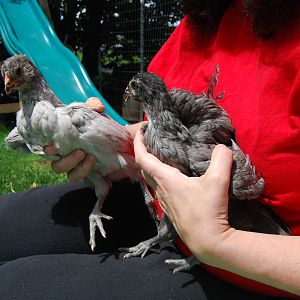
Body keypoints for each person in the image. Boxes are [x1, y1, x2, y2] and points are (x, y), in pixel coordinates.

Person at [0, 0, 299, 298]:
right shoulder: (205, 15)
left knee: (13, 285)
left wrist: (220, 242)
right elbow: (158, 125)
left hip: (247, 269)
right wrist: (97, 137)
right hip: (156, 205)